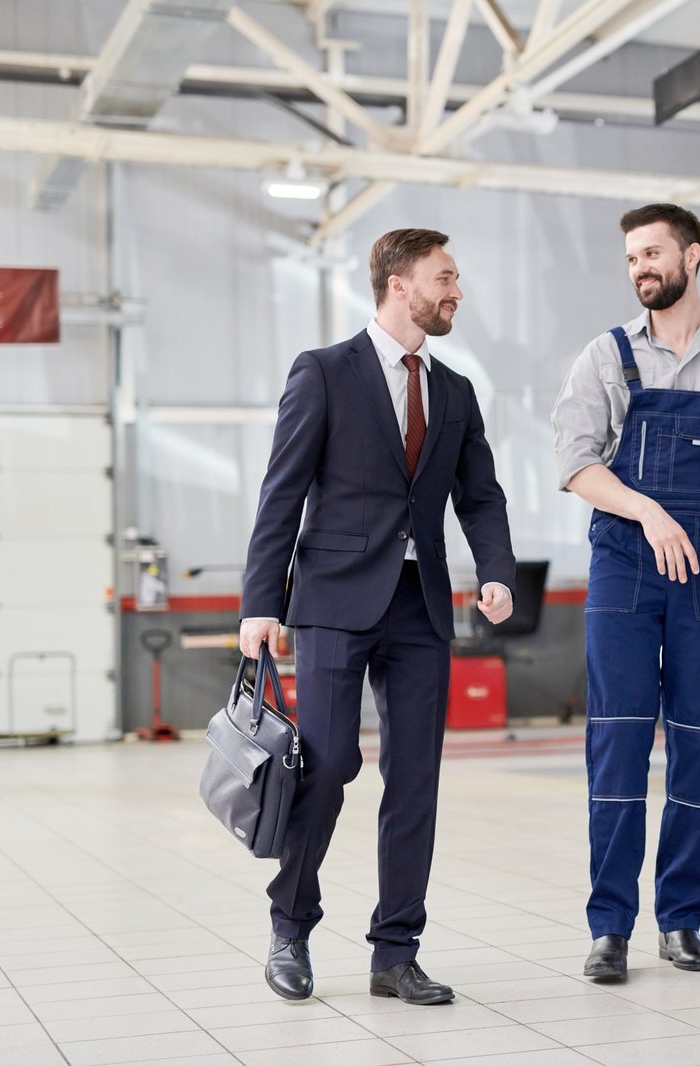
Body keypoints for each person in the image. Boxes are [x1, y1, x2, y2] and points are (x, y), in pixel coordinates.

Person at [238, 228, 516, 1005]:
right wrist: (261, 602)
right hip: (332, 602)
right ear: (401, 283)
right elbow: (281, 491)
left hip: (419, 606)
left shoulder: (454, 391)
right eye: (445, 276)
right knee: (325, 766)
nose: (456, 290)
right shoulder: (325, 372)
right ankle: (290, 925)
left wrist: (495, 571)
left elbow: (481, 496)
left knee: (415, 782)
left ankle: (396, 951)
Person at [551, 203, 700, 982]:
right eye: (631, 258)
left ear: (692, 257)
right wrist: (646, 509)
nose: (640, 268)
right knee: (618, 743)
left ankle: (682, 920)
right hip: (625, 559)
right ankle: (610, 928)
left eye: (652, 253)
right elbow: (577, 463)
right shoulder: (604, 355)